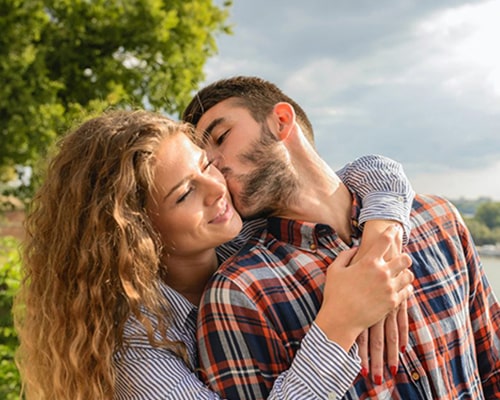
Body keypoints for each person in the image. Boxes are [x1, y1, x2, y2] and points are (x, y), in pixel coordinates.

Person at [14, 109, 414, 399]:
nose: (217, 188)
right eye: (186, 193)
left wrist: (381, 236)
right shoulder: (136, 348)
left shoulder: (241, 235)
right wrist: (338, 326)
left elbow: (370, 173)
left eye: (207, 164)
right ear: (136, 232)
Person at [183, 76, 500, 400]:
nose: (215, 167)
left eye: (221, 137)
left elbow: (493, 370)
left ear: (281, 121)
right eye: (204, 163)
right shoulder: (237, 293)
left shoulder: (438, 220)